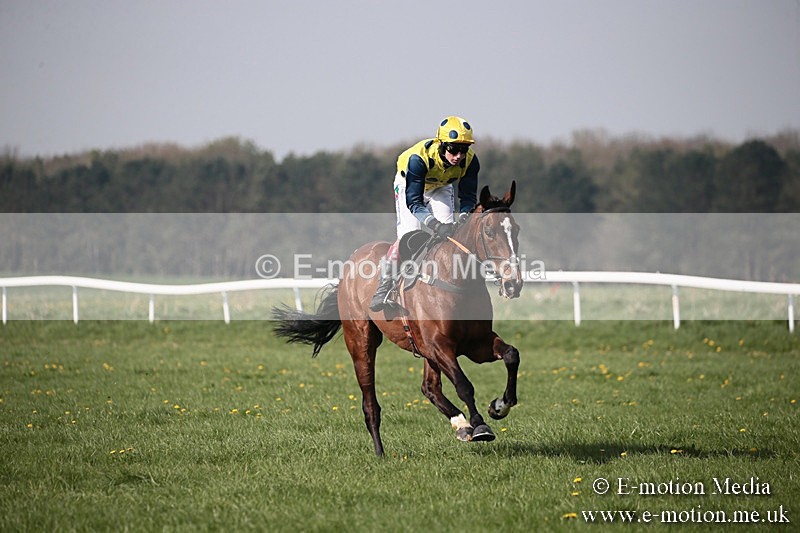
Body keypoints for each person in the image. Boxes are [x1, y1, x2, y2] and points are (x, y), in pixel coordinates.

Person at [369, 115, 479, 312]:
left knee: (451, 236)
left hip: (440, 187)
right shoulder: (418, 159)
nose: (459, 156)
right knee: (407, 235)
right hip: (408, 185)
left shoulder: (471, 162)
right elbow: (414, 203)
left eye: (464, 149)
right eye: (453, 149)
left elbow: (468, 198)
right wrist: (434, 224)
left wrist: (463, 217)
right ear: (441, 144)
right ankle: (384, 287)